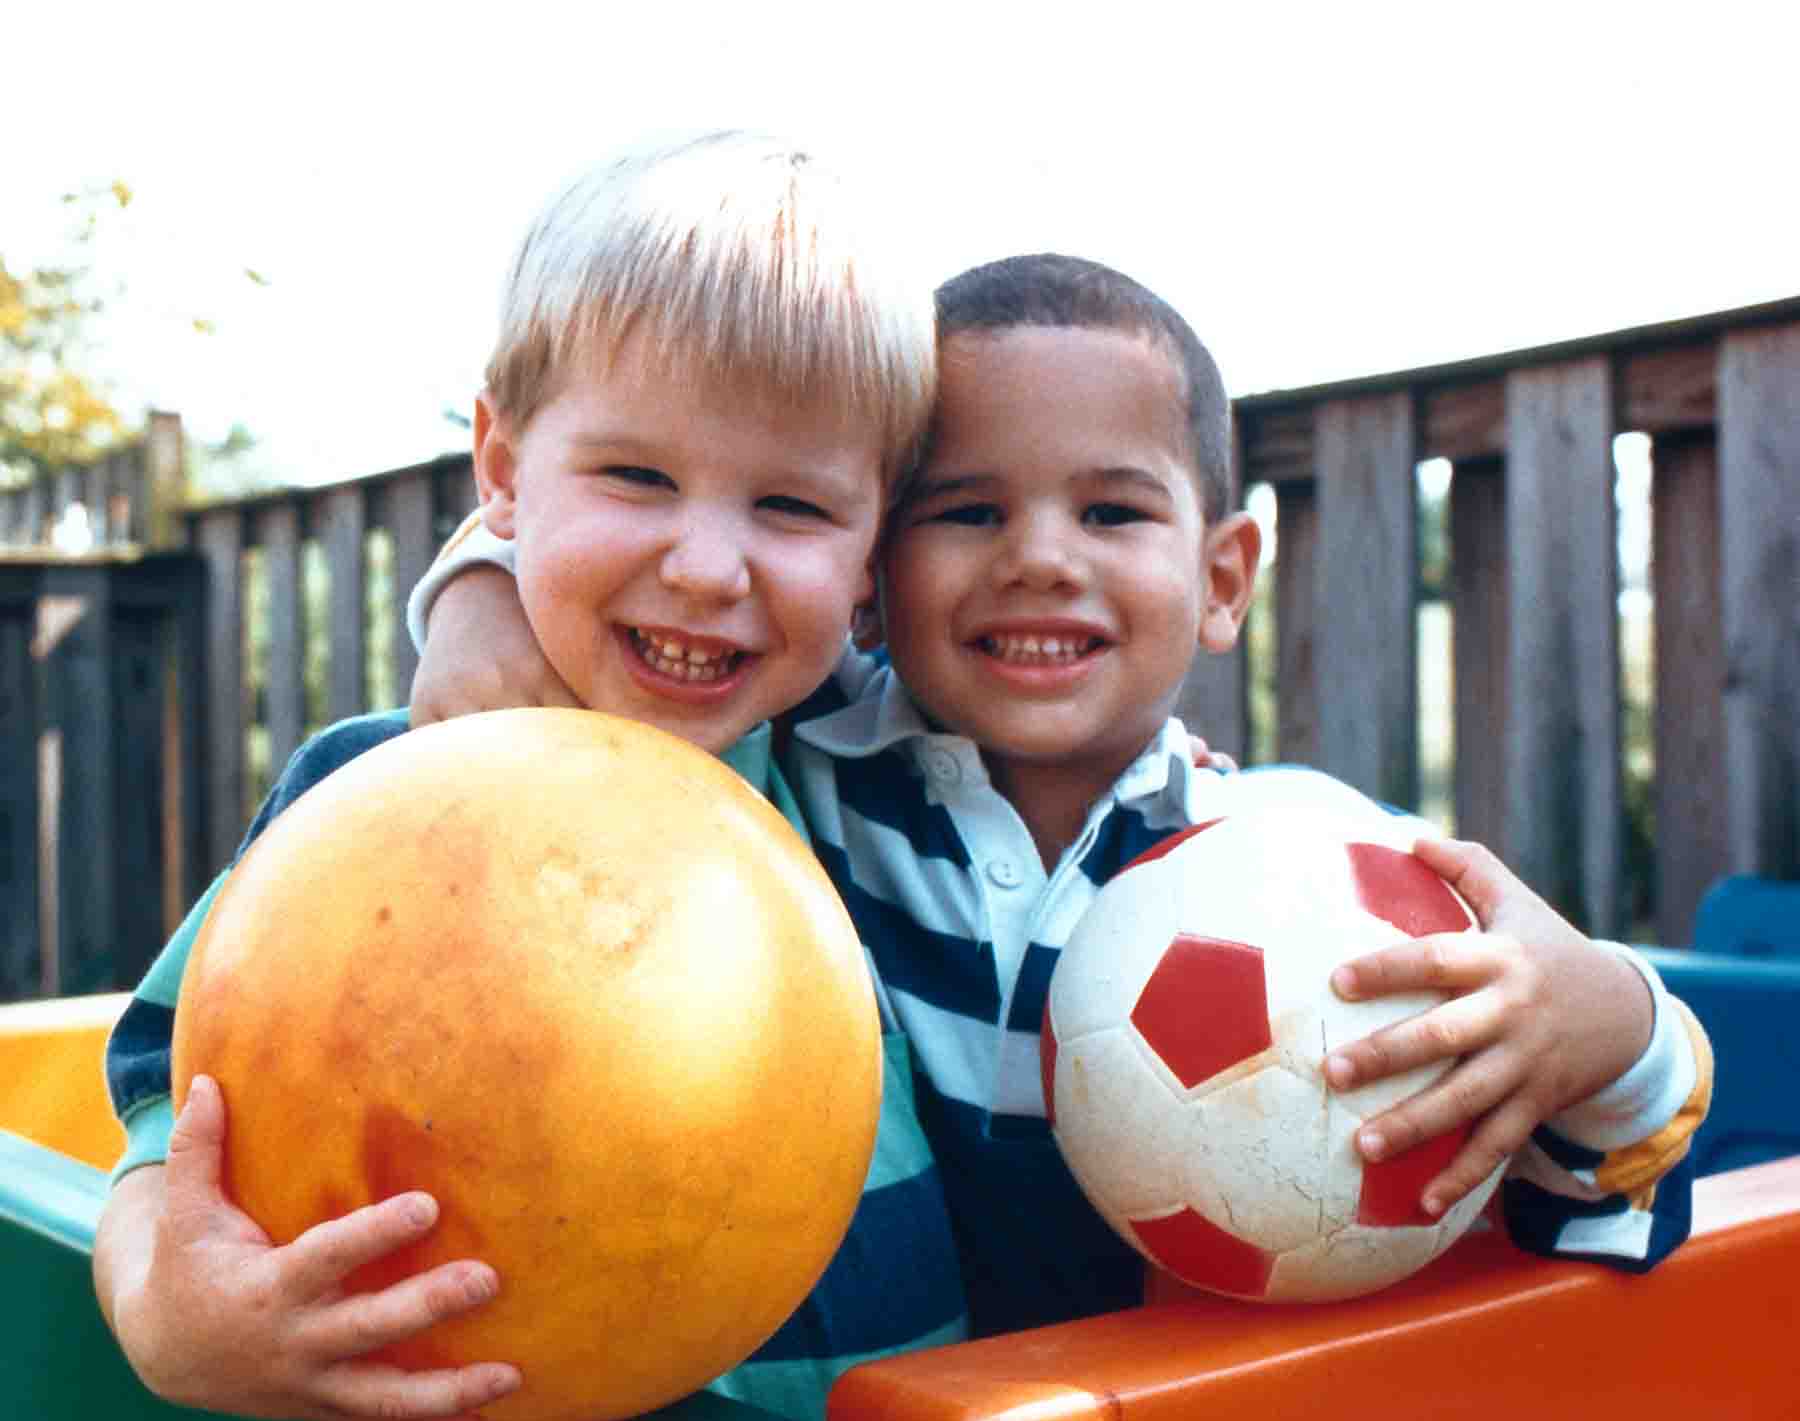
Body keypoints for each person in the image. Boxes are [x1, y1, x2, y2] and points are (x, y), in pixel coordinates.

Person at [407, 253, 1715, 1338]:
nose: (1040, 558)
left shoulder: (1321, 877)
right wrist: (475, 591)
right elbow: (624, 571)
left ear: (1222, 577)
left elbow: (1593, 1187)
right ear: (867, 565)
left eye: (1111, 514)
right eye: (967, 512)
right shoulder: (787, 755)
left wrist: (1609, 1028)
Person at [93, 128, 969, 1421]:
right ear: (500, 473)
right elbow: (174, 1115)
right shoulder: (375, 802)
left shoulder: (873, 791)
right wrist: (168, 1319)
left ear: (869, 555)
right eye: (637, 476)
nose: (707, 566)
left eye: (791, 507)